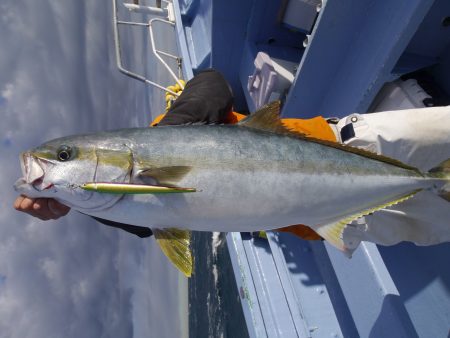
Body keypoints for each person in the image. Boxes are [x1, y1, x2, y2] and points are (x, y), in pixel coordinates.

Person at [14, 69, 450, 248]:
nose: (49, 164)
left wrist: (174, 134)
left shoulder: (158, 130)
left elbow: (212, 83)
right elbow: (143, 213)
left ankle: (430, 178)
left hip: (360, 146)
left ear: (115, 152)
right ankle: (432, 181)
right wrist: (71, 201)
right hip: (344, 218)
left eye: (65, 155)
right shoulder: (126, 199)